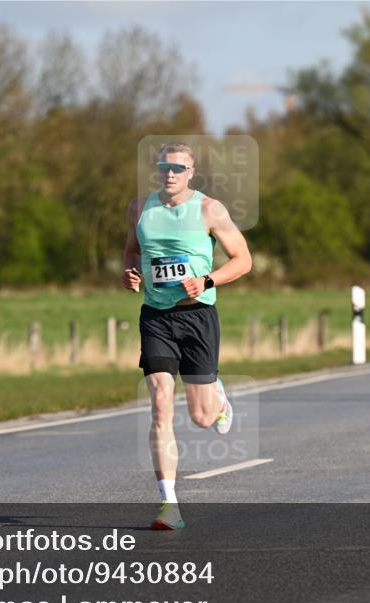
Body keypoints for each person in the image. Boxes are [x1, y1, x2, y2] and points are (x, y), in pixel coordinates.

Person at [121, 142, 252, 530]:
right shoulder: (139, 208)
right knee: (161, 404)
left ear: (191, 172)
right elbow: (131, 251)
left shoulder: (210, 209)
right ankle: (169, 505)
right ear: (157, 169)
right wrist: (131, 272)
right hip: (157, 317)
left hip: (198, 317)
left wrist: (208, 279)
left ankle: (217, 395)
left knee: (201, 417)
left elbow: (243, 259)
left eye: (179, 168)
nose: (171, 173)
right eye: (165, 166)